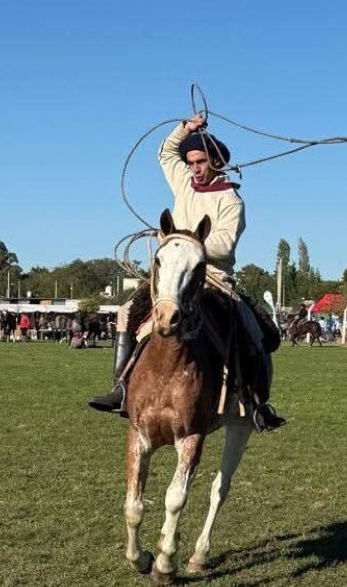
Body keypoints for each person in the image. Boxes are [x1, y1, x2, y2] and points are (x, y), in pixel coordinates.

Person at [88, 113, 286, 430]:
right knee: (127, 312)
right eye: (191, 161)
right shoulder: (184, 182)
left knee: (253, 329)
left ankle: (255, 403)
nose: (194, 167)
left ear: (216, 161)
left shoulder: (230, 200)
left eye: (201, 161)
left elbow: (225, 243)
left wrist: (189, 245)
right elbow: (165, 154)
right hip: (172, 275)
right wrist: (185, 129)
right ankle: (122, 390)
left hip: (213, 277)